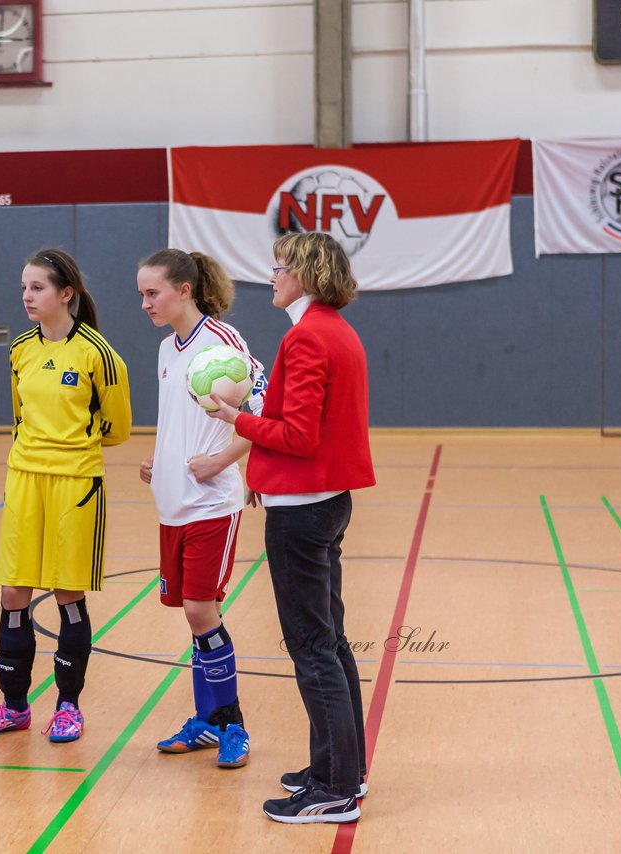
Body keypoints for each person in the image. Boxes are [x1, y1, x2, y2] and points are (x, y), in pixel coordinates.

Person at [207, 232, 374, 825]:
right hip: (323, 500)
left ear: (304, 272)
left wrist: (236, 418)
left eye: (280, 266)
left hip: (304, 511)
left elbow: (297, 436)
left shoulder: (307, 337)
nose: (271, 275)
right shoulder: (334, 330)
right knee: (330, 642)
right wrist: (266, 469)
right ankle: (343, 770)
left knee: (312, 649)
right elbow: (308, 428)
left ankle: (333, 789)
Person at [0, 248, 131, 743]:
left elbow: (117, 428)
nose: (27, 297)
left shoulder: (98, 353)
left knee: (67, 594)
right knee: (13, 592)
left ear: (66, 294)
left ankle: (68, 706)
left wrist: (68, 448)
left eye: (37, 288)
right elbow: (20, 417)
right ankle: (14, 706)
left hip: (76, 484)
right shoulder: (20, 350)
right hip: (24, 479)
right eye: (23, 288)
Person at [136, 248, 266, 770]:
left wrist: (220, 462)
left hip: (212, 501)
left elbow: (260, 414)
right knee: (194, 619)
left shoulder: (224, 343)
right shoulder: (168, 348)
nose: (145, 302)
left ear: (184, 290)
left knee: (200, 610)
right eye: (142, 294)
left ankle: (233, 723)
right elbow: (180, 424)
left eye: (153, 293)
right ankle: (207, 721)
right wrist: (161, 461)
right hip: (172, 501)